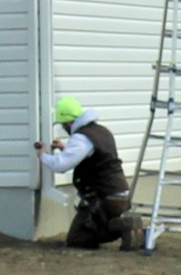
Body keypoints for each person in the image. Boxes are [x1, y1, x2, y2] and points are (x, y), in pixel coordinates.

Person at [34, 97, 143, 251]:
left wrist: (42, 156)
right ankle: (128, 226)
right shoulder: (102, 131)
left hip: (103, 197)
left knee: (77, 239)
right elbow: (93, 157)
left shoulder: (81, 138)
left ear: (68, 122)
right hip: (120, 195)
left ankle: (123, 226)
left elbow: (61, 165)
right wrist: (66, 148)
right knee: (91, 228)